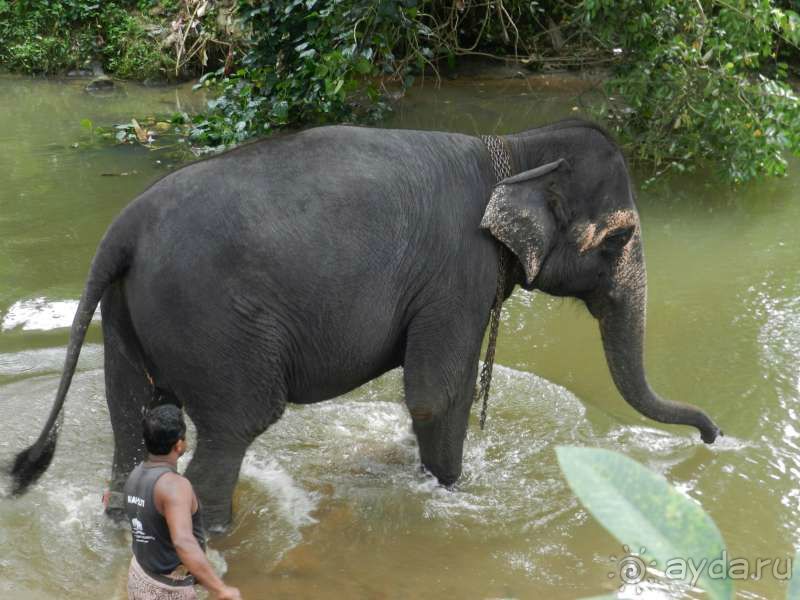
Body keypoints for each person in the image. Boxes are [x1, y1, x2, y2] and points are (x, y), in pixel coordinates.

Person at [119, 403, 242, 600]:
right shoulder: (175, 486)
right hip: (166, 590)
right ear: (179, 445)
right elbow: (183, 542)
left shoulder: (135, 474)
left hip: (139, 575)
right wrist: (220, 589)